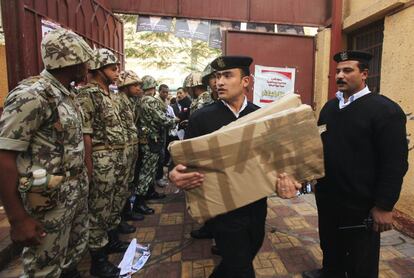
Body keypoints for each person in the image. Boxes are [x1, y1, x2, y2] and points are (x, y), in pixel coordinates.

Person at [169, 56, 301, 278]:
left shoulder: (260, 116)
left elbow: (276, 157)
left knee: (246, 252)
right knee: (241, 266)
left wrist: (290, 178)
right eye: (217, 76)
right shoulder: (202, 117)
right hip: (222, 208)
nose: (219, 82)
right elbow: (183, 158)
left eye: (228, 76)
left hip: (256, 203)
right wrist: (174, 173)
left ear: (246, 81)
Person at [303, 50, 409, 278]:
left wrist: (384, 205)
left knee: (361, 260)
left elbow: (395, 162)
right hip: (329, 197)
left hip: (361, 204)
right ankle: (330, 272)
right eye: (338, 71)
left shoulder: (385, 111)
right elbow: (320, 146)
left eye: (347, 70)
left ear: (364, 74)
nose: (340, 75)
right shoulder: (330, 109)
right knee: (330, 245)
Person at [0, 28, 93, 278]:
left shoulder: (67, 96)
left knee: (71, 257)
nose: (87, 65)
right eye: (83, 59)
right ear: (70, 59)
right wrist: (17, 218)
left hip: (74, 194)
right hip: (48, 200)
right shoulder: (32, 95)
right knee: (44, 268)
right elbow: (4, 156)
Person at [77, 48, 127, 277]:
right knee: (99, 207)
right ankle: (98, 259)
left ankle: (110, 240)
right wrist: (88, 166)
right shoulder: (88, 94)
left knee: (114, 200)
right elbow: (85, 133)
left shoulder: (108, 94)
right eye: (112, 69)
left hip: (117, 156)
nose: (117, 73)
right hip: (101, 158)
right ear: (98, 70)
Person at [133, 76, 176, 215]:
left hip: (146, 139)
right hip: (153, 140)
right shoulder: (150, 101)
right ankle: (139, 203)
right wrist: (175, 120)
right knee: (146, 172)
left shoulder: (139, 101)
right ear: (152, 88)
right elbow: (161, 119)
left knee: (149, 170)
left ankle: (150, 192)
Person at [116, 70, 146, 224]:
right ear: (125, 86)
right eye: (134, 85)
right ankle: (121, 217)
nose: (138, 88)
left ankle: (127, 213)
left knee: (129, 183)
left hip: (132, 146)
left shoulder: (131, 101)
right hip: (124, 148)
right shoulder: (118, 101)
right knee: (122, 186)